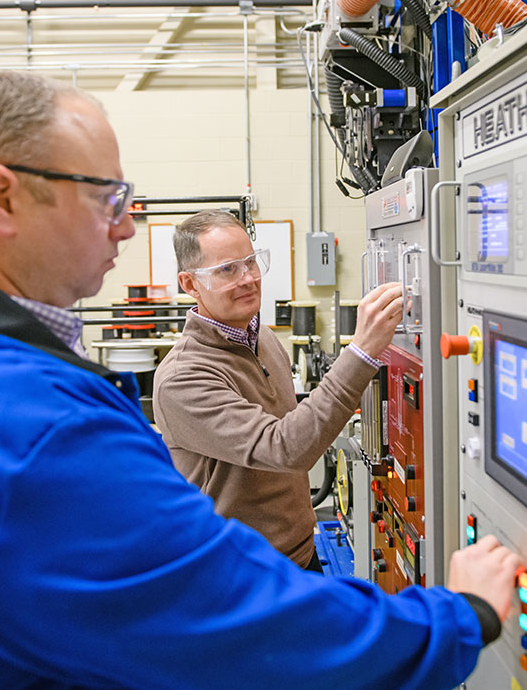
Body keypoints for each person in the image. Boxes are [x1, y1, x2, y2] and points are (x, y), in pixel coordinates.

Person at [0, 70, 521, 690]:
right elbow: (248, 627)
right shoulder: (41, 426)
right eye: (107, 197)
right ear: (0, 201)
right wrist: (463, 616)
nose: (126, 229)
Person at [154, 210, 405, 571]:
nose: (248, 279)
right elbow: (285, 447)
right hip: (239, 577)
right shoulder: (183, 378)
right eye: (227, 270)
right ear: (190, 284)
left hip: (298, 556)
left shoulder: (263, 337)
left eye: (251, 262)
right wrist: (361, 352)